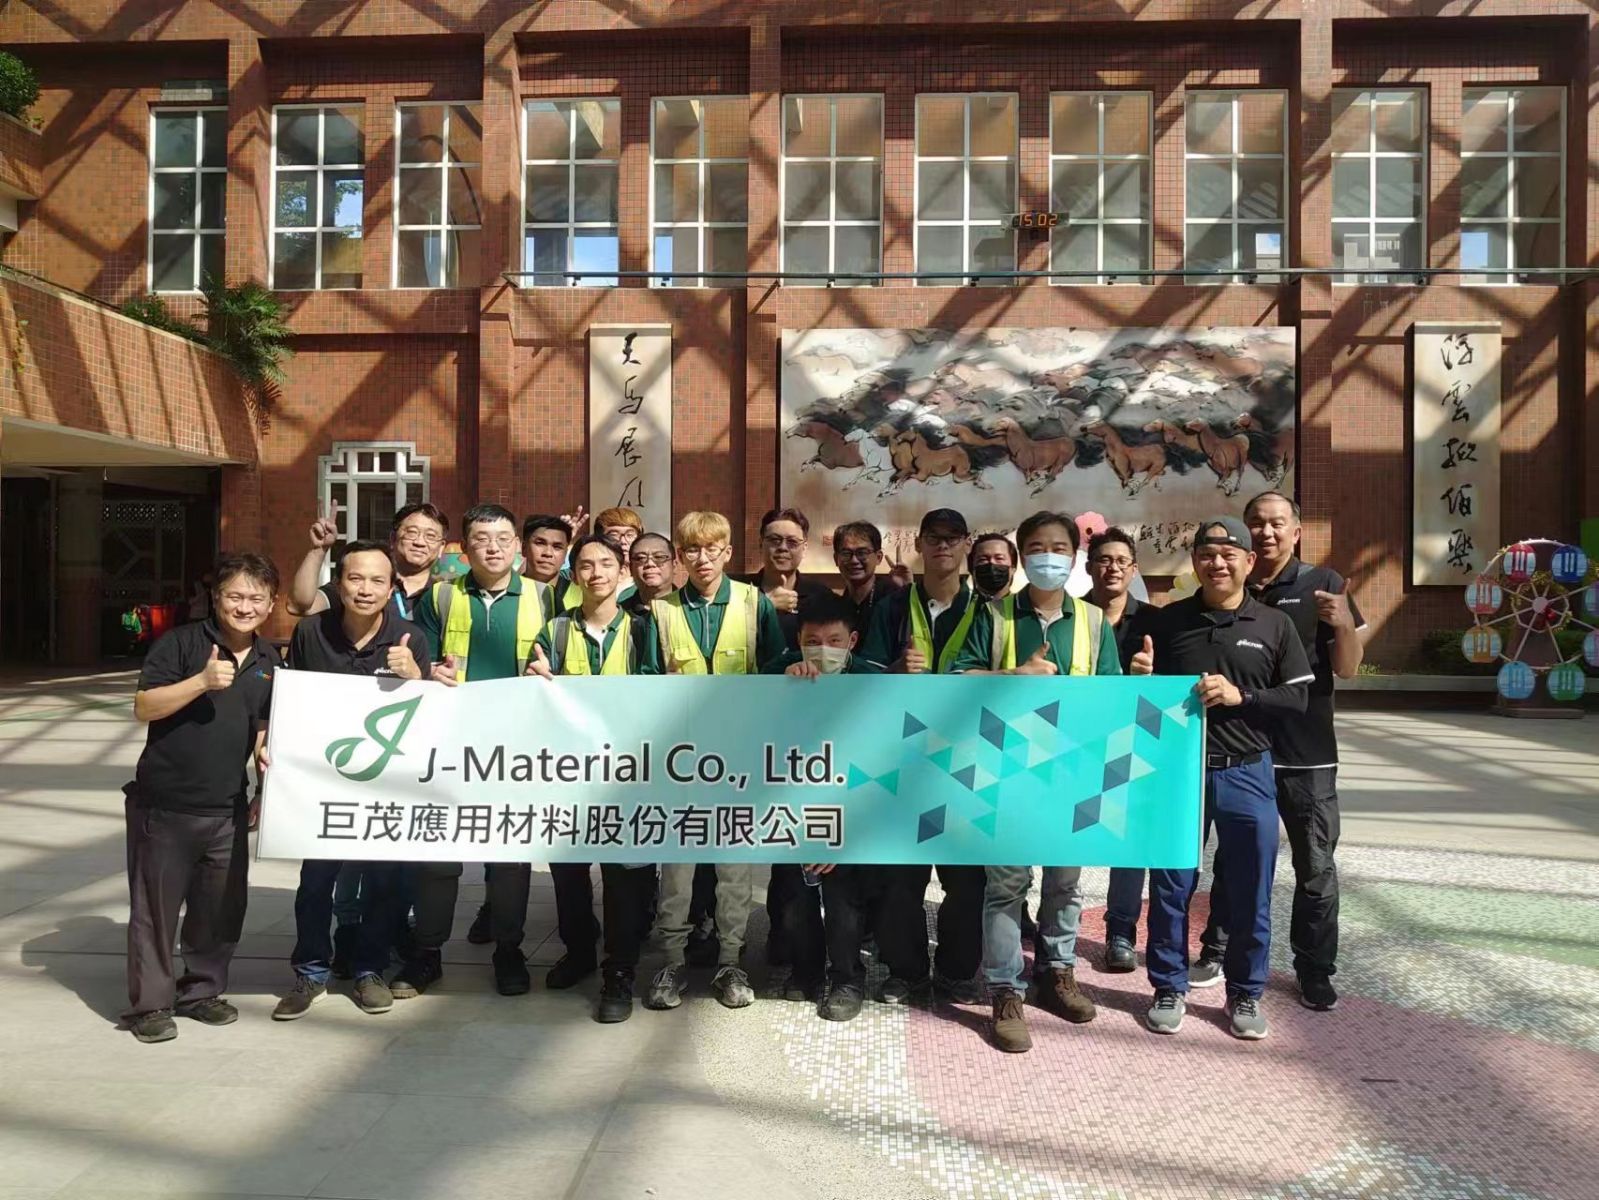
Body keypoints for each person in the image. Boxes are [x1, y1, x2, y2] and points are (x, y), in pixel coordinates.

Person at [950, 510, 1130, 1054]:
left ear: (1074, 558)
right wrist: (1015, 675)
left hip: (1071, 774)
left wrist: (1139, 686)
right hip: (1006, 773)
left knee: (1065, 883)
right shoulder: (994, 615)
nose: (1047, 557)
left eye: (1058, 548)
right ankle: (1005, 990)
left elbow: (1112, 696)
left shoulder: (1094, 622)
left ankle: (1057, 972)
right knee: (1006, 885)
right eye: (1036, 547)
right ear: (1022, 556)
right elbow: (957, 679)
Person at [1193, 492, 1367, 1012]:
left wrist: (1341, 622)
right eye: (1256, 524)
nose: (1266, 532)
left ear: (1296, 531)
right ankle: (1217, 949)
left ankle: (1313, 968)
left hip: (1305, 754)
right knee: (1234, 861)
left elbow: (1349, 668)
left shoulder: (1323, 583)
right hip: (1240, 751)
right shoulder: (1226, 582)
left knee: (1315, 866)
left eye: (1276, 523)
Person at [1142, 516, 1312, 1041]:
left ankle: (1245, 991)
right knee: (1171, 884)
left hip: (1248, 771)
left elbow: (1298, 698)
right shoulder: (1169, 623)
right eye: (1206, 554)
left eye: (1228, 554)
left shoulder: (1274, 625)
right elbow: (1140, 699)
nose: (1217, 563)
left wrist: (1244, 696)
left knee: (1250, 887)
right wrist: (1140, 678)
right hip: (1179, 775)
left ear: (1248, 561)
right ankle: (1168, 985)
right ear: (1194, 562)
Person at [123, 552, 280, 1043]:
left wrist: (264, 777)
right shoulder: (181, 644)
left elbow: (262, 725)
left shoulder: (270, 660)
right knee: (155, 912)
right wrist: (201, 682)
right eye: (235, 596)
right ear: (216, 598)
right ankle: (151, 1005)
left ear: (271, 604)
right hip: (165, 804)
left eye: (256, 598)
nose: (245, 606)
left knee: (219, 909)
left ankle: (202, 992)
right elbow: (144, 706)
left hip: (227, 806)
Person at [272, 541, 429, 1022]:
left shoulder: (410, 638)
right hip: (323, 782)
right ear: (338, 584)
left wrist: (417, 677)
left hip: (386, 783)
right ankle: (311, 971)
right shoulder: (310, 632)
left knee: (383, 881)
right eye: (355, 578)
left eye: (377, 580)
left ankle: (368, 969)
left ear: (391, 587)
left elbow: (430, 716)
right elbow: (293, 701)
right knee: (316, 880)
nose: (365, 589)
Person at [401, 503, 551, 999]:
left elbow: (563, 660)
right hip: (451, 745)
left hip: (517, 750)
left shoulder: (545, 596)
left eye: (503, 538)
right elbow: (418, 658)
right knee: (439, 856)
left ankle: (509, 949)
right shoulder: (441, 596)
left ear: (518, 548)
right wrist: (428, 672)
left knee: (509, 857)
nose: (493, 548)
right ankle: (427, 952)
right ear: (464, 548)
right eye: (482, 539)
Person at [642, 510, 785, 1011]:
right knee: (677, 869)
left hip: (736, 760)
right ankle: (671, 961)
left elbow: (775, 669)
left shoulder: (752, 602)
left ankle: (730, 960)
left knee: (734, 868)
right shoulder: (661, 611)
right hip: (680, 762)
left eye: (712, 548)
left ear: (727, 552)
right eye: (692, 550)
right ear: (680, 557)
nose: (702, 558)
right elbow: (642, 680)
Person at [856, 508, 988, 1006]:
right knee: (900, 876)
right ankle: (906, 971)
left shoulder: (988, 610)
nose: (943, 546)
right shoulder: (892, 608)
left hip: (968, 762)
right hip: (903, 760)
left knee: (967, 877)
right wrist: (895, 669)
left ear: (966, 544)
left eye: (953, 538)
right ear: (919, 544)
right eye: (934, 538)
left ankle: (957, 972)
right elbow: (862, 681)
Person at [527, 534, 657, 1023]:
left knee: (625, 875)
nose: (596, 573)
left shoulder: (645, 628)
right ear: (574, 573)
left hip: (629, 773)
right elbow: (536, 696)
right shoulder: (556, 631)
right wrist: (535, 682)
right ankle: (579, 950)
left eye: (606, 563)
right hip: (570, 772)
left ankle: (619, 970)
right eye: (586, 565)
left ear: (622, 571)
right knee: (569, 869)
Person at [766, 593, 886, 1019]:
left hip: (850, 810)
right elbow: (756, 736)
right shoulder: (776, 674)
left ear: (852, 641)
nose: (822, 650)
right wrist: (784, 691)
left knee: (844, 901)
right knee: (793, 898)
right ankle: (806, 971)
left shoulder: (874, 682)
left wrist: (843, 828)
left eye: (834, 641)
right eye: (812, 641)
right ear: (798, 640)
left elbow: (883, 760)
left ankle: (847, 978)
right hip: (791, 809)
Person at [734, 507, 835, 968]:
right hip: (751, 725)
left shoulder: (821, 594)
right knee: (741, 829)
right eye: (773, 539)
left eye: (792, 541)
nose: (782, 548)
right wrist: (762, 606)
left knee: (799, 832)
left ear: (804, 547)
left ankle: (801, 935)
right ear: (760, 543)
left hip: (810, 732)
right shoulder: (740, 593)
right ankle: (729, 930)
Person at [1084, 527, 1161, 974]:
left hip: (1136, 744)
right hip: (1077, 743)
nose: (1112, 568)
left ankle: (1121, 932)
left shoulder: (1156, 622)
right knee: (1059, 832)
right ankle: (1045, 924)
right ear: (1089, 567)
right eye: (1103, 559)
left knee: (1129, 841)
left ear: (1133, 570)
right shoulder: (1071, 616)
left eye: (1121, 561)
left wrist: (1149, 677)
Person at [286, 501, 449, 621]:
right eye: (412, 533)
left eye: (430, 536)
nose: (420, 542)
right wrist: (318, 550)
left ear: (441, 547)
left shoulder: (447, 593)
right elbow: (298, 606)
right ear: (393, 538)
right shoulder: (361, 583)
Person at [831, 520, 903, 632]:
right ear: (836, 559)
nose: (854, 560)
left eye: (862, 553)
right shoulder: (834, 606)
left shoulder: (893, 599)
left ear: (878, 557)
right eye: (846, 553)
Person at [522, 514, 577, 609]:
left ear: (565, 554)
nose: (548, 553)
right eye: (540, 543)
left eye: (557, 547)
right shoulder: (505, 594)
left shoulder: (583, 597)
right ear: (524, 548)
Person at [968, 533, 1016, 602]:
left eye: (999, 558)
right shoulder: (962, 605)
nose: (991, 562)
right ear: (972, 569)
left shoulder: (1025, 605)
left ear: (1013, 568)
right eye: (983, 559)